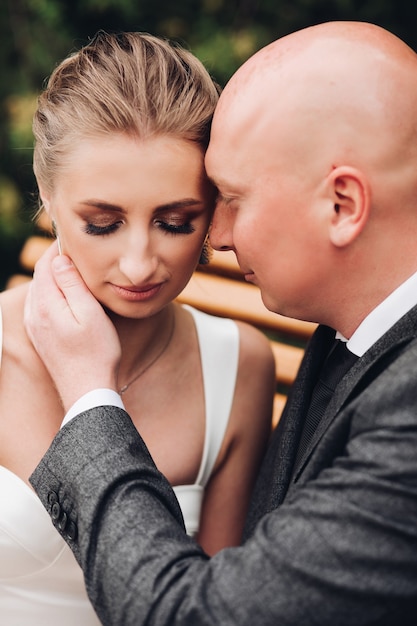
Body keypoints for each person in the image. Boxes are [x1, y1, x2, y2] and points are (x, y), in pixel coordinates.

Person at [25, 19, 417, 625]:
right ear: (47, 199)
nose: (221, 239)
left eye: (220, 205)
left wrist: (88, 395)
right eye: (103, 222)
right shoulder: (354, 334)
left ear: (343, 205)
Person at [0, 31, 276, 624]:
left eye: (175, 221)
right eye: (103, 223)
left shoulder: (238, 366)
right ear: (47, 194)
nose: (139, 264)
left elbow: (215, 603)